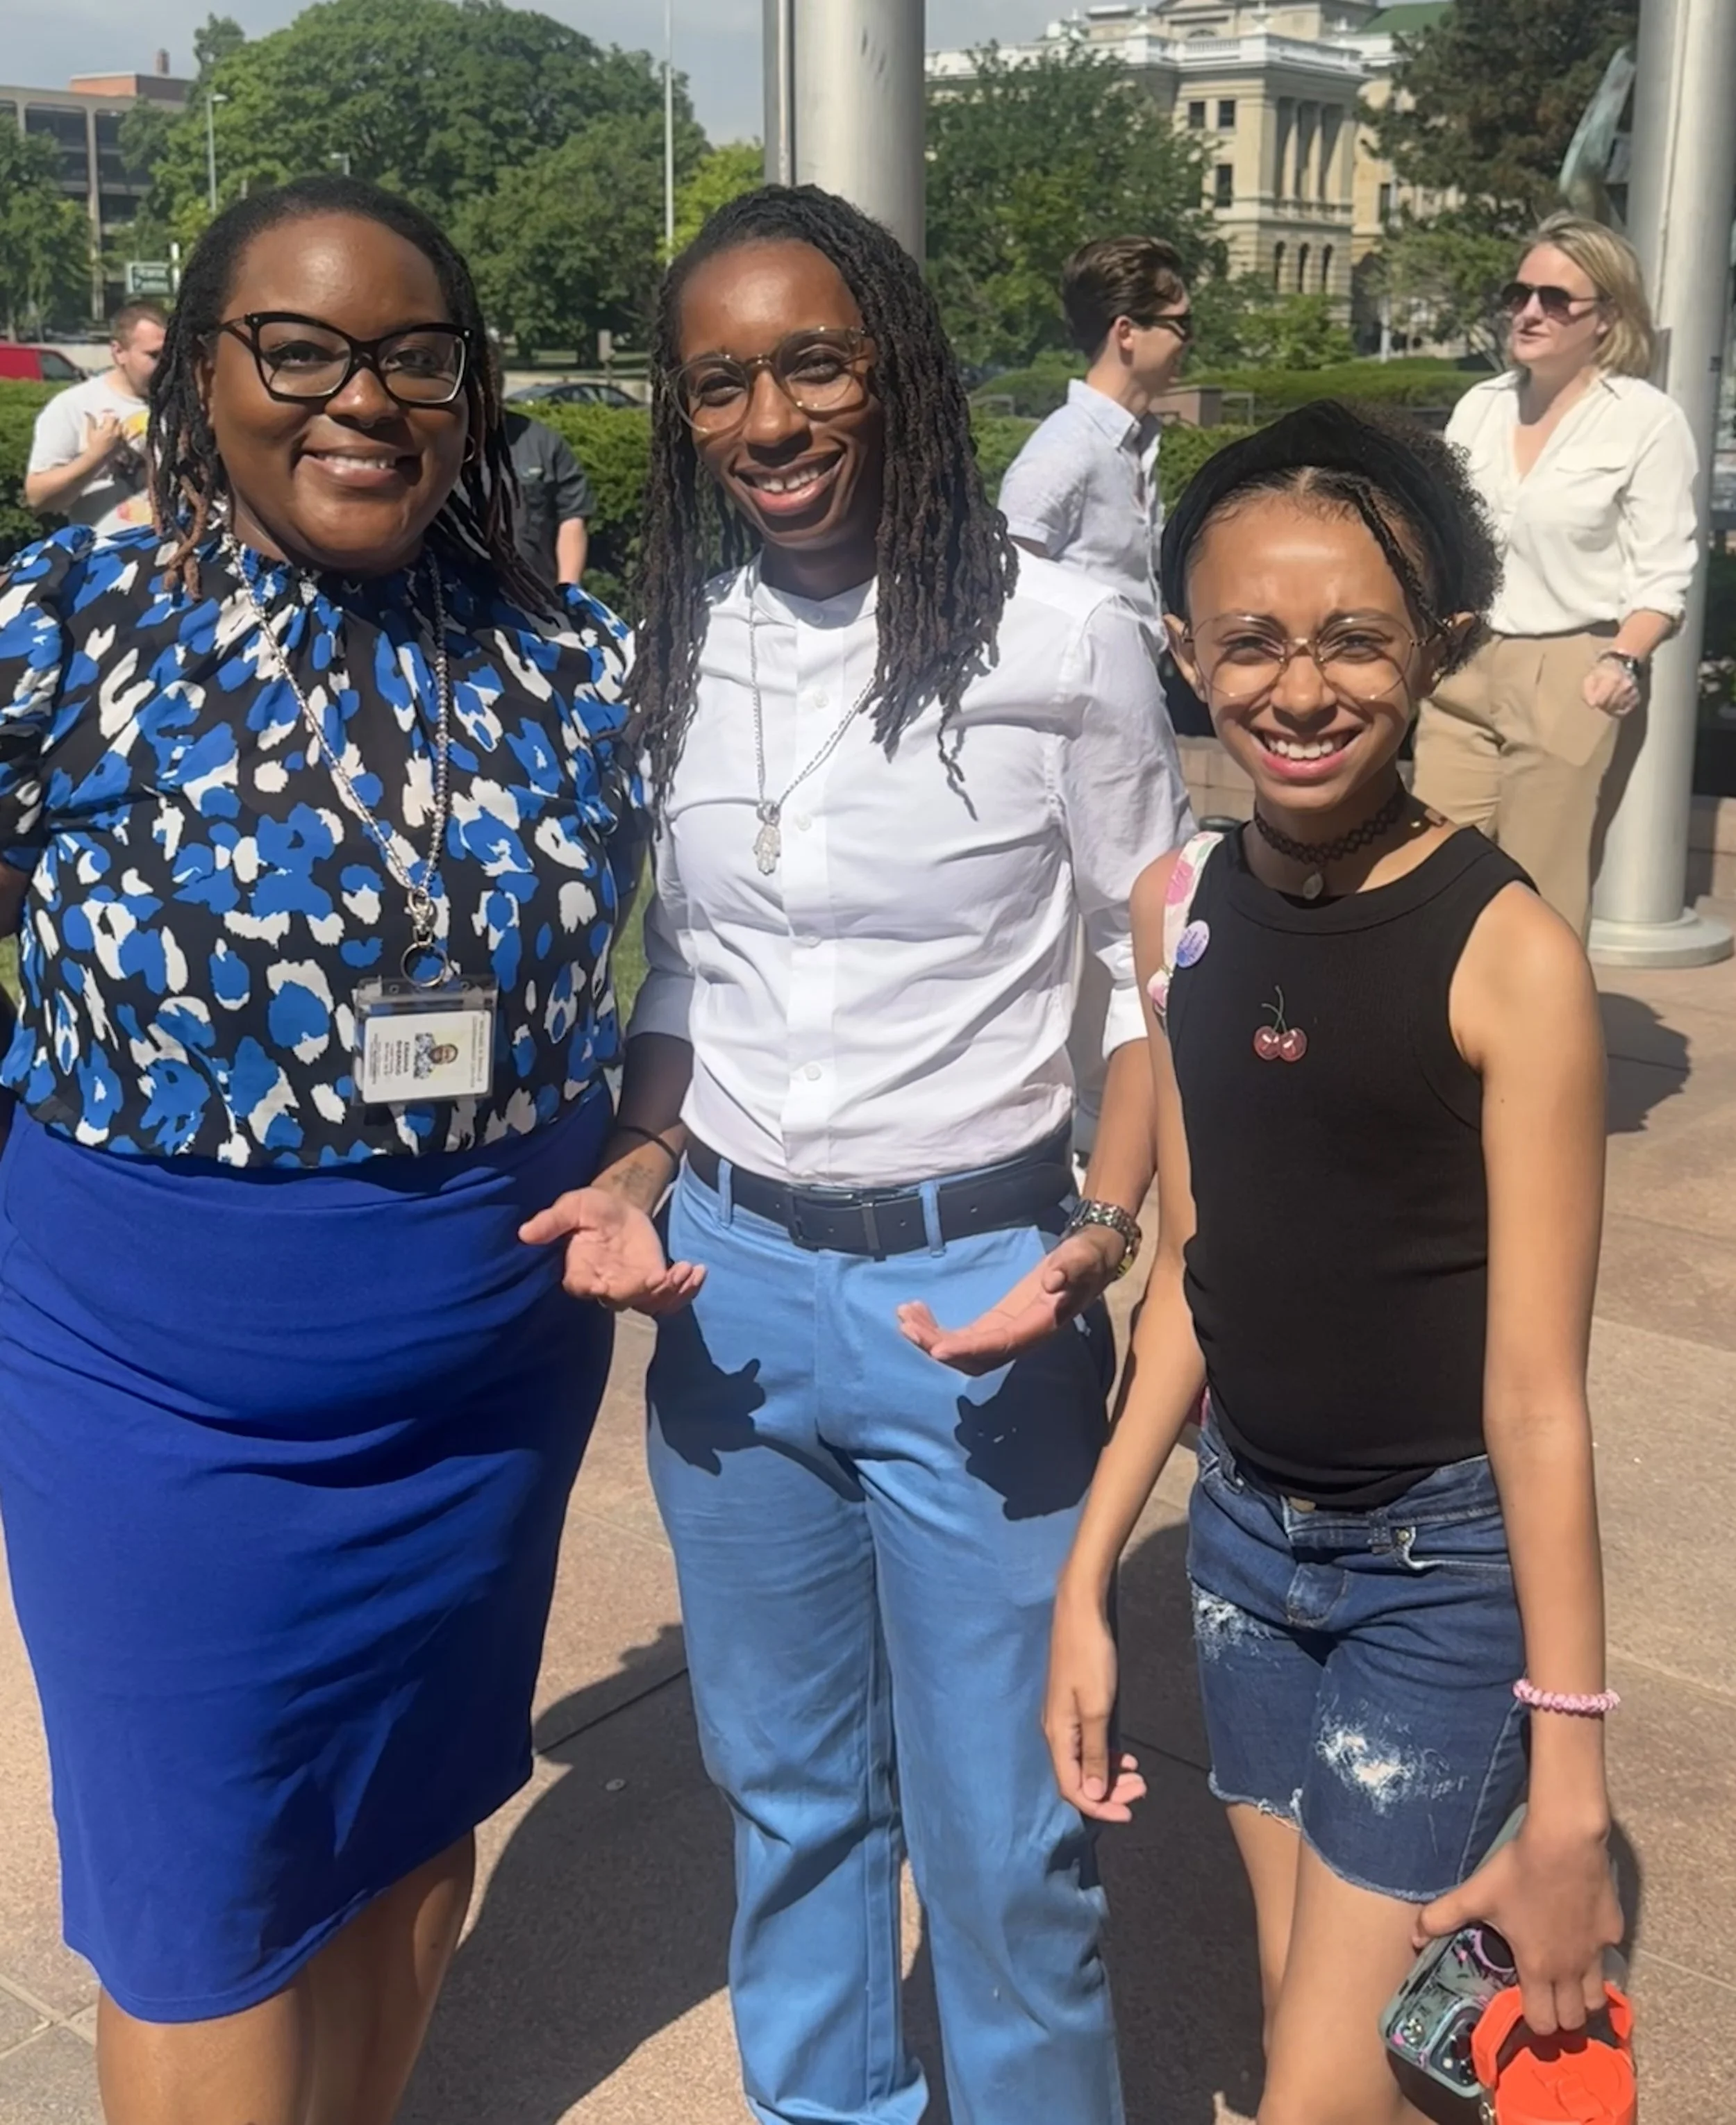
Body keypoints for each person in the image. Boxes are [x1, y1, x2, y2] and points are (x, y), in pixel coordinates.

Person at [521, 184, 1192, 2125]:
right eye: (715, 382)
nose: (766, 421)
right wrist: (645, 1166)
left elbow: (1140, 972)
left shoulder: (1060, 638)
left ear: (893, 368)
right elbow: (691, 976)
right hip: (730, 1297)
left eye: (810, 362)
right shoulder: (679, 643)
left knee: (1004, 1839)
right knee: (793, 1797)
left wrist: (1101, 1226)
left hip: (974, 1294)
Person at [0, 176, 640, 2125]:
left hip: (488, 1386)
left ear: (470, 389)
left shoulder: (570, 655)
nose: (361, 396)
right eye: (298, 347)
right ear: (203, 371)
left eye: (415, 356)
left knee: (409, 1830)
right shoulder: (60, 625)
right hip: (152, 1399)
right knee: (203, 1902)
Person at [1046, 403, 1621, 2125]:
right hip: (1238, 1553)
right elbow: (1192, 1291)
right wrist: (1088, 1582)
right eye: (1252, 642)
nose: (1301, 691)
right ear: (1183, 651)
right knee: (1323, 2019)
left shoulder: (1507, 957)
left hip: (1435, 1578)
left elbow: (1537, 1398)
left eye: (1358, 638)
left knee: (1316, 2091)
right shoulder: (1179, 909)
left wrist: (1573, 1781)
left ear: (1439, 646)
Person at [1412, 212, 1698, 938]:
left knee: (1537, 896)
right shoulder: (1480, 407)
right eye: (1519, 294)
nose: (1530, 311)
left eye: (1555, 299)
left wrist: (1620, 661)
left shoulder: (1644, 421)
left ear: (1606, 317)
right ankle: (1440, 1044)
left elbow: (1663, 577)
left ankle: (1543, 1048)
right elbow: (1443, 537)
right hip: (1464, 660)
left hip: (1575, 667)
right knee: (1432, 872)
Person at [998, 236, 1193, 1165]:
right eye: (1177, 323)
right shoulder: (1067, 448)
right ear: (1127, 332)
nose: (1189, 338)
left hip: (1131, 705)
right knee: (1111, 913)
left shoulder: (1131, 442)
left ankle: (1131, 1096)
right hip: (1080, 724)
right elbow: (1014, 568)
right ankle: (1092, 1118)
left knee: (1142, 902)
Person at [23, 300, 167, 535]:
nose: (166, 366)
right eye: (154, 356)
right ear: (119, 352)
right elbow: (38, 498)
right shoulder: (74, 406)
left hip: (176, 562)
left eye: (172, 355)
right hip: (106, 565)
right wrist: (96, 457)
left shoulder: (184, 405)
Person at [492, 351, 596, 587]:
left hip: (535, 598)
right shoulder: (441, 446)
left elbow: (572, 517)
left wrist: (569, 590)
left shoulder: (543, 442)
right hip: (455, 605)